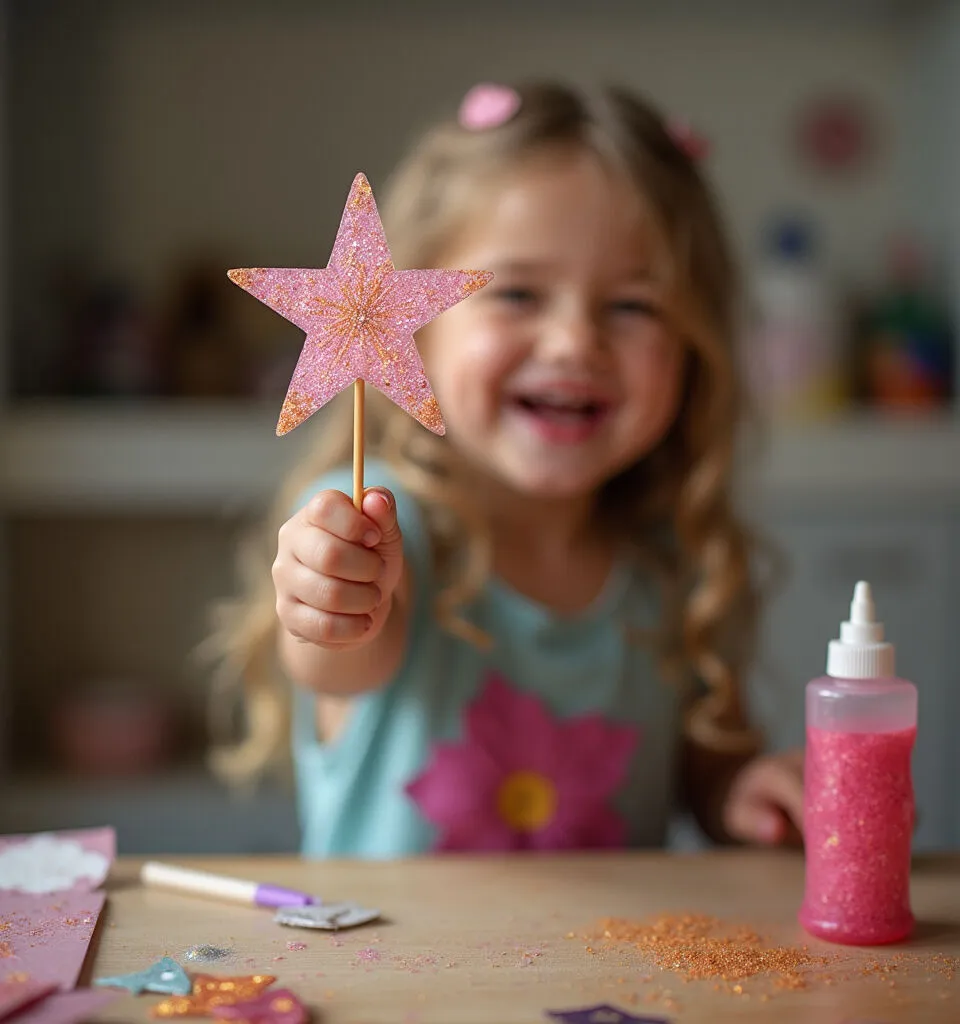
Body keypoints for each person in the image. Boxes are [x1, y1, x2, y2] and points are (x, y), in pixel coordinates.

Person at [210, 81, 804, 858]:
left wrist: (744, 795)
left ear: (694, 352)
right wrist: (329, 597)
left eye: (632, 306)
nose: (572, 343)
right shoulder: (378, 525)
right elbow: (337, 662)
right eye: (518, 293)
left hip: (614, 977)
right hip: (396, 975)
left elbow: (706, 769)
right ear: (414, 327)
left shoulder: (670, 562)